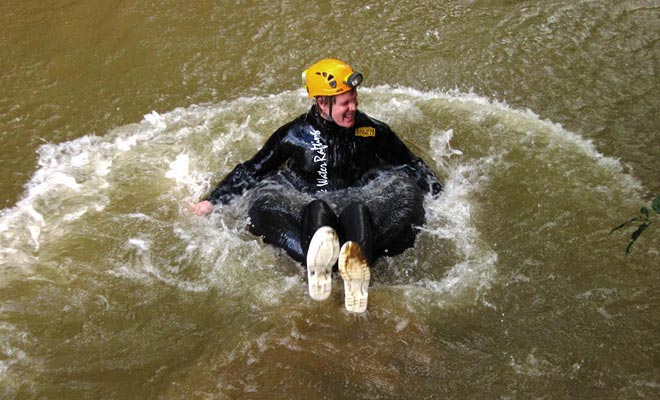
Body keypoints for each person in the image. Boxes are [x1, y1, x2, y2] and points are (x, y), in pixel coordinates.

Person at [191, 58, 441, 313]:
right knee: (307, 209)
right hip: (306, 204)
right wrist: (213, 200)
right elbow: (252, 170)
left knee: (361, 209)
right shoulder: (293, 136)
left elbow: (410, 164)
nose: (353, 107)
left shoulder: (371, 132)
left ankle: (356, 265)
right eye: (345, 103)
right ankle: (321, 257)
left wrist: (442, 194)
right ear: (322, 102)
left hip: (362, 203)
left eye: (354, 100)